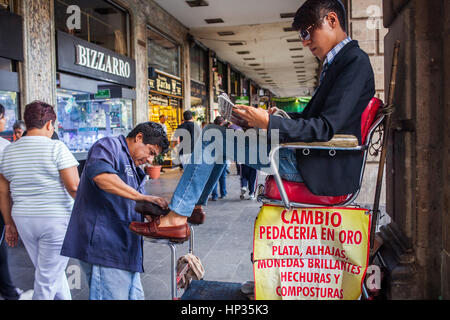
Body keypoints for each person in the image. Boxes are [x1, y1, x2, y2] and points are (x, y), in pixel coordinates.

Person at [129, 0, 375, 239]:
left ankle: (178, 217)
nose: (305, 42)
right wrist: (264, 119)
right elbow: (315, 119)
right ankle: (190, 207)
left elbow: (325, 128)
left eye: (306, 32)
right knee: (216, 132)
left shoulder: (353, 62)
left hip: (314, 162)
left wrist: (269, 123)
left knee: (212, 138)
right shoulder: (339, 64)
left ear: (331, 20)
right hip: (308, 154)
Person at [60, 122, 170, 300]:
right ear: (139, 137)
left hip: (125, 248)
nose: (150, 159)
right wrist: (142, 198)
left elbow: (126, 199)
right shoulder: (108, 146)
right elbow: (102, 177)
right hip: (105, 246)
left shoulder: (133, 165)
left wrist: (147, 211)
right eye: (150, 152)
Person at [0, 101, 80, 300]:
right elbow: (74, 188)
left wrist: (9, 224)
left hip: (24, 219)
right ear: (49, 124)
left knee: (51, 272)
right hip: (55, 220)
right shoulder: (57, 147)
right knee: (46, 280)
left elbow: (3, 193)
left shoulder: (9, 151)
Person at [0, 104, 23, 300]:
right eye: (3, 118)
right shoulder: (4, 147)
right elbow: (4, 186)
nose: (4, 121)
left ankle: (8, 290)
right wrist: (9, 221)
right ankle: (9, 291)